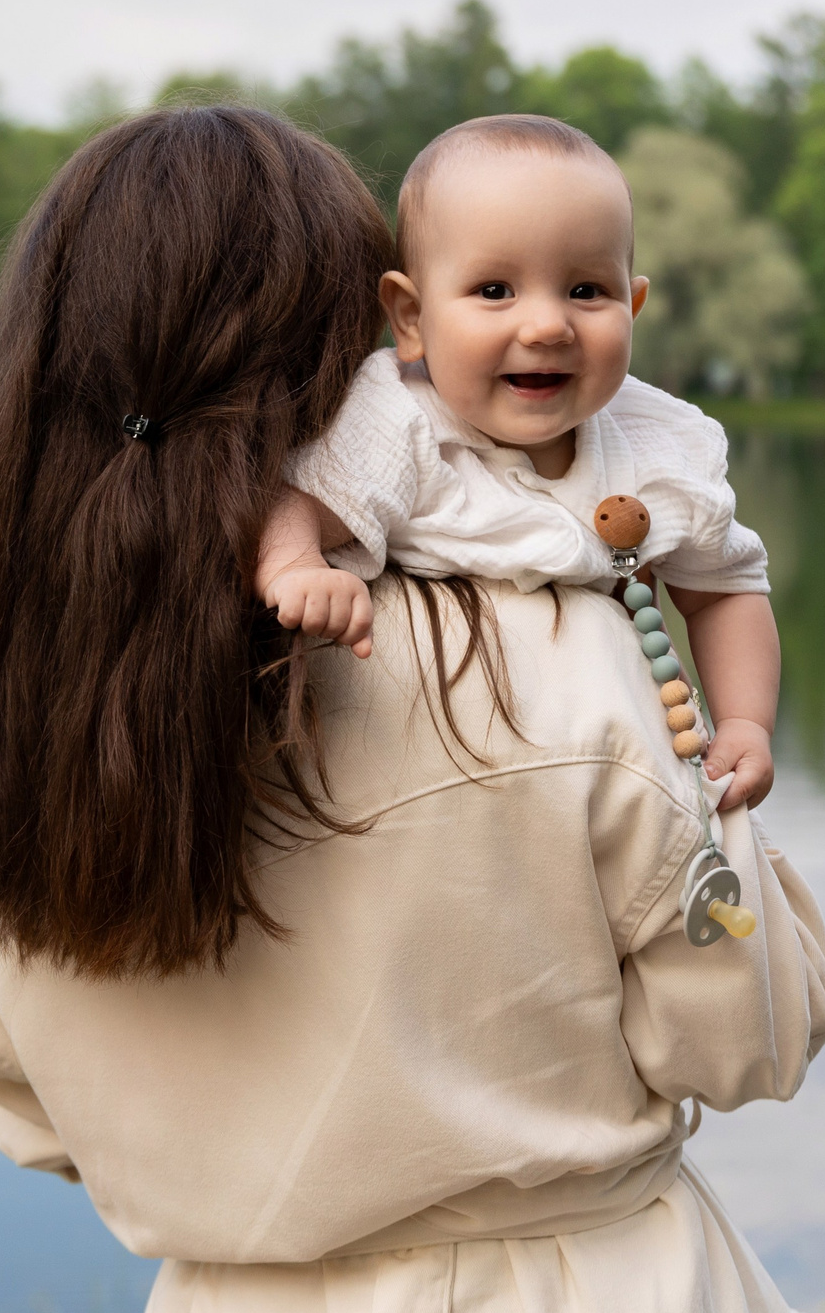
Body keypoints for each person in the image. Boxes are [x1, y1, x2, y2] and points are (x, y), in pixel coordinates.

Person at [0, 104, 825, 1313]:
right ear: (368, 338)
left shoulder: (12, 726)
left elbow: (30, 1106)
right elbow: (738, 1038)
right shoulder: (558, 662)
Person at [255, 113, 780, 808]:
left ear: (635, 304)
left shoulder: (658, 443)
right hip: (432, 772)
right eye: (495, 290)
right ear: (410, 317)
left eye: (587, 290)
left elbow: (724, 589)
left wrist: (746, 720)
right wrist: (296, 566)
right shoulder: (400, 417)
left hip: (608, 780)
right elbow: (300, 501)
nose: (546, 326)